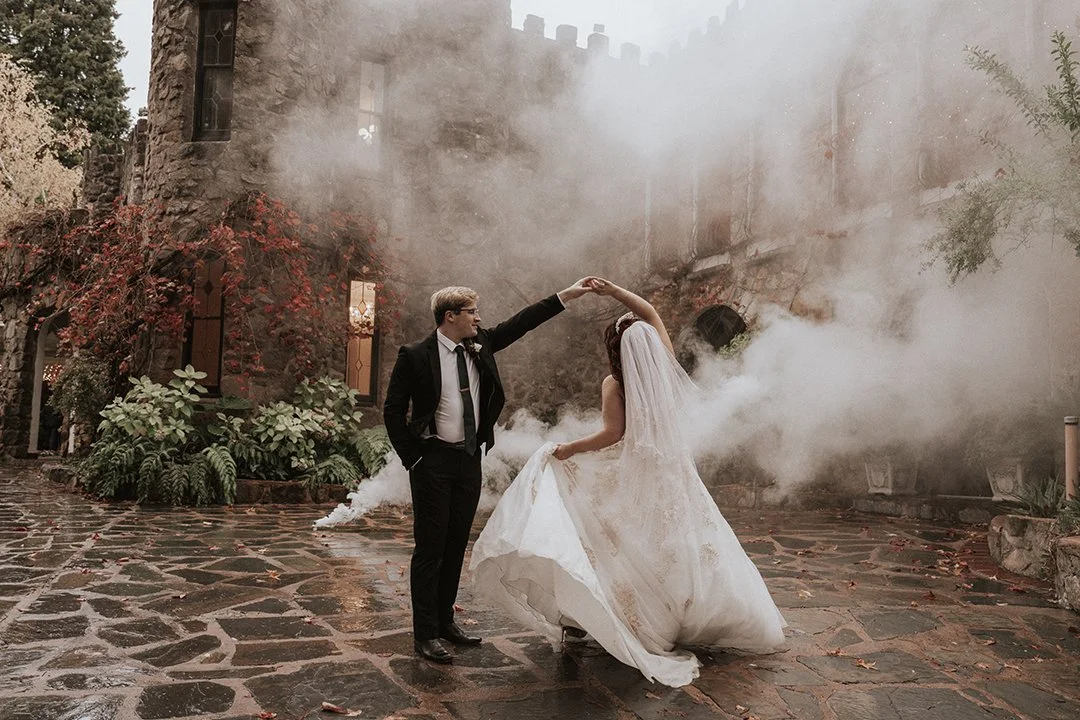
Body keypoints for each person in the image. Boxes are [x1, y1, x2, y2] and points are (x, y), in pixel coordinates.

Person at [469, 278, 786, 687]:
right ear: (652, 346)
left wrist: (568, 449)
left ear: (615, 351)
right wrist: (613, 291)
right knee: (687, 541)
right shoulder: (666, 367)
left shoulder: (615, 384)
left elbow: (612, 436)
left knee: (626, 540)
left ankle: (636, 616)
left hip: (638, 470)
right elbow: (651, 313)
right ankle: (700, 612)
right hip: (674, 473)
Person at [384, 278, 598, 664]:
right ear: (450, 317)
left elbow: (524, 321)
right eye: (472, 313)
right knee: (430, 548)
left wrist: (569, 293)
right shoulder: (415, 355)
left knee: (455, 545)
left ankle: (446, 621)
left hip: (468, 461)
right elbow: (393, 412)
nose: (478, 319)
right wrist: (413, 458)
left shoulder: (481, 346)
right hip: (431, 462)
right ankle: (426, 634)